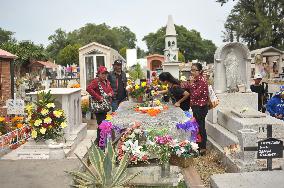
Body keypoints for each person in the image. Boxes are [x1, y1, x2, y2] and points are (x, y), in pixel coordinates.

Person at [183, 63, 209, 155]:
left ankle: (203, 148)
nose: (192, 72)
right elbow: (186, 86)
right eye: (191, 70)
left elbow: (195, 94)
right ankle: (198, 145)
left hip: (201, 107)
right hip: (196, 106)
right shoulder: (196, 80)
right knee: (197, 126)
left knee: (201, 126)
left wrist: (191, 83)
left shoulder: (202, 81)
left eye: (194, 70)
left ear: (200, 71)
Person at [86, 66, 113, 145]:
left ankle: (100, 140)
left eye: (105, 73)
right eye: (102, 74)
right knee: (101, 124)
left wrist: (111, 93)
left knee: (103, 123)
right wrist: (98, 97)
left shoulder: (106, 81)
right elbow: (89, 88)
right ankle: (100, 143)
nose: (104, 75)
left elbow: (110, 89)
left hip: (104, 106)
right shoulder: (96, 81)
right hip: (99, 106)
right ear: (98, 74)